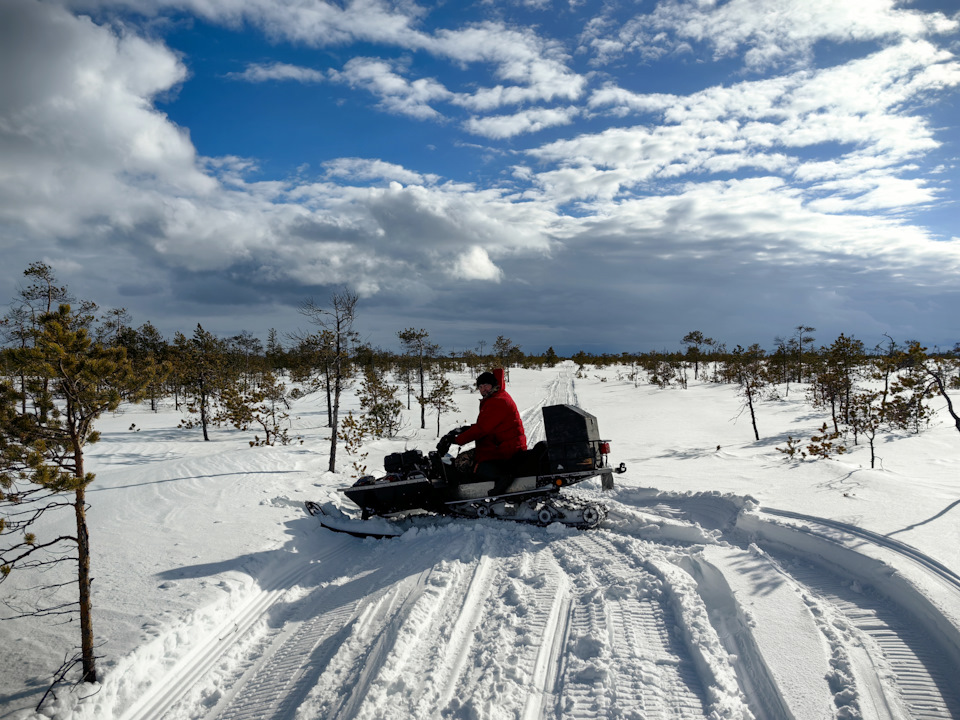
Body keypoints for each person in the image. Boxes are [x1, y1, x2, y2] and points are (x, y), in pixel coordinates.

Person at [452, 371, 527, 493]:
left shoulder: (497, 401)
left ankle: (501, 477)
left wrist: (456, 440)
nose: (483, 390)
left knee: (463, 462)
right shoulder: (497, 396)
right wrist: (464, 430)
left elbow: (482, 429)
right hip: (501, 444)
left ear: (493, 385)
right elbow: (486, 424)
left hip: (505, 449)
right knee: (467, 458)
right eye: (480, 387)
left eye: (486, 385)